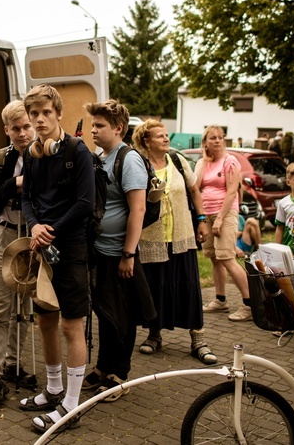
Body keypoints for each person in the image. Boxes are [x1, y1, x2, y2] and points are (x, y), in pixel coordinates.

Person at [17, 84, 94, 433]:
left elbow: (85, 203)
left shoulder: (77, 150)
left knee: (70, 324)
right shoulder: (31, 155)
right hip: (42, 247)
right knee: (46, 321)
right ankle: (52, 390)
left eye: (46, 112)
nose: (40, 119)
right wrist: (35, 227)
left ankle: (72, 407)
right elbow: (27, 199)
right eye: (34, 114)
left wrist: (51, 230)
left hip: (72, 247)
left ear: (58, 113)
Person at [83, 100, 156, 401]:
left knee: (122, 316)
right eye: (92, 125)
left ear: (118, 128)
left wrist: (128, 254)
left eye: (99, 125)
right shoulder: (103, 156)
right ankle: (103, 367)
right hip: (101, 251)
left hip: (119, 254)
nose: (93, 130)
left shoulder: (129, 159)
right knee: (106, 314)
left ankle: (119, 374)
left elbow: (137, 209)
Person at [131, 120, 216, 365]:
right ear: (147, 141)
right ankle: (154, 335)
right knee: (156, 287)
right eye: (160, 136)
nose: (166, 139)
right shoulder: (140, 164)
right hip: (153, 237)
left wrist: (201, 220)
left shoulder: (177, 160)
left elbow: (195, 191)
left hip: (181, 236)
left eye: (166, 135)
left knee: (189, 286)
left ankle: (198, 338)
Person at [0, 100, 35, 406]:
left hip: (32, 237)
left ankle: (15, 364)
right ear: (7, 131)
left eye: (26, 126)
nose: (23, 133)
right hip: (4, 234)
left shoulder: (44, 157)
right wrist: (14, 184)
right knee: (0, 307)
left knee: (25, 306)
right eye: (16, 128)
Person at [197, 125, 254, 321]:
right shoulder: (203, 163)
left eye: (221, 137)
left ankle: (250, 304)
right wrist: (202, 218)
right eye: (213, 138)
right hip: (207, 214)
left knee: (227, 257)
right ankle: (220, 299)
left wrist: (220, 218)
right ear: (205, 142)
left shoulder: (230, 161)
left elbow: (232, 191)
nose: (218, 141)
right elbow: (196, 188)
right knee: (214, 257)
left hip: (226, 213)